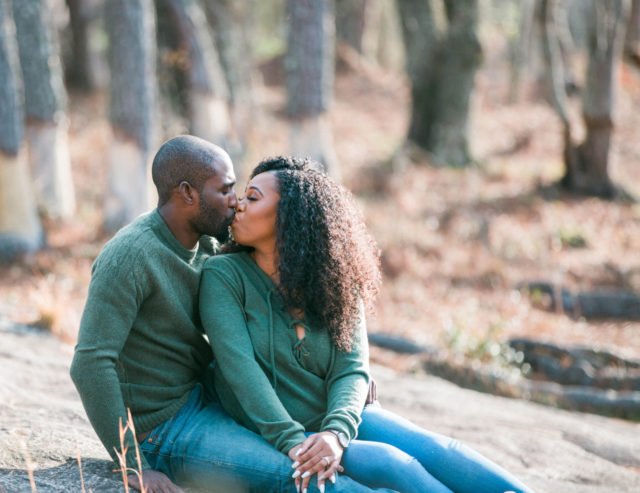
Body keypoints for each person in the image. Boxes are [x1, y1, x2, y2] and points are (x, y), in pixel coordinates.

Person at [200, 156, 535, 493]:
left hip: (336, 419)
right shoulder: (223, 275)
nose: (237, 205)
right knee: (395, 464)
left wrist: (337, 431)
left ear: (290, 218)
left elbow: (351, 369)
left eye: (252, 197)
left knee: (441, 451)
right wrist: (297, 441)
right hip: (279, 429)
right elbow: (240, 371)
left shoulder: (336, 280)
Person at [70, 137, 377, 493]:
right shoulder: (130, 256)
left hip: (207, 402)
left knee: (362, 465)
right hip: (161, 429)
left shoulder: (209, 244)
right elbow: (90, 363)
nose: (236, 201)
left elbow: (263, 310)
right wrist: (134, 464)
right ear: (188, 194)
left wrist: (346, 372)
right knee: (306, 477)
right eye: (226, 189)